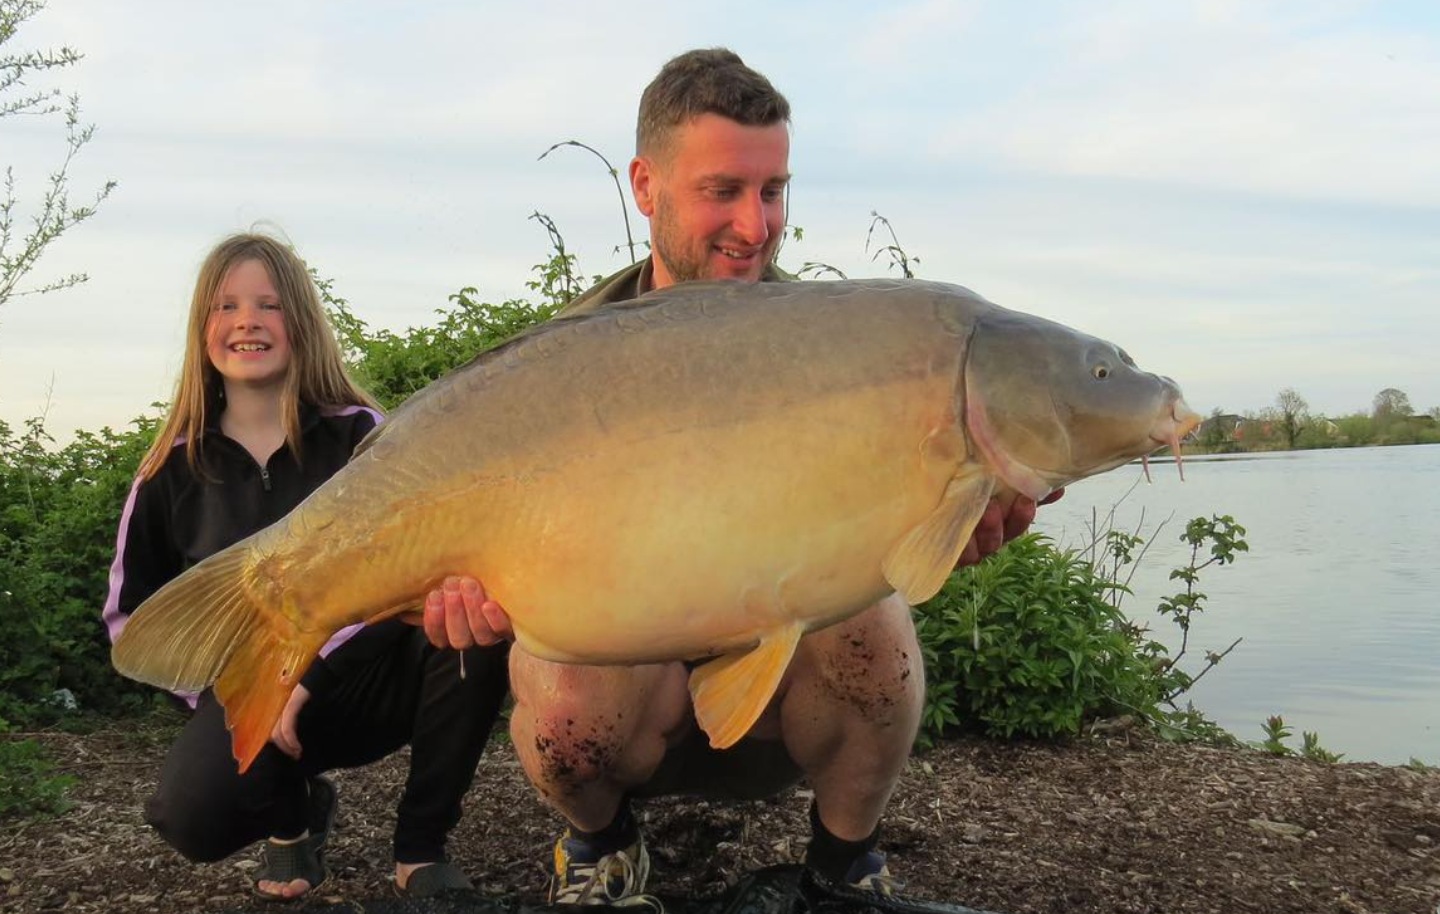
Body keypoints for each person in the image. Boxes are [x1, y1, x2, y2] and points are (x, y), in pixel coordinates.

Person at [423, 47, 1059, 904]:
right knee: (559, 682)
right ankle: (603, 849)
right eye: (722, 190)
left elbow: (893, 537)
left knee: (874, 627)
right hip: (629, 706)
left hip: (773, 708)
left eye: (773, 190)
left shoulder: (844, 347)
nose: (755, 227)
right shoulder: (562, 365)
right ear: (645, 187)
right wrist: (463, 595)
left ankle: (841, 869)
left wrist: (950, 527)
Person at [102, 232, 510, 901]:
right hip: (251, 690)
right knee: (189, 819)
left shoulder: (365, 438)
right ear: (202, 327)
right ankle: (294, 822)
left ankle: (420, 849)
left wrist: (313, 675)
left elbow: (418, 574)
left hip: (369, 673)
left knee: (470, 621)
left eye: (268, 304)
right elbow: (131, 615)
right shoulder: (167, 472)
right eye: (226, 305)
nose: (246, 321)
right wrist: (231, 688)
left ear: (302, 323)